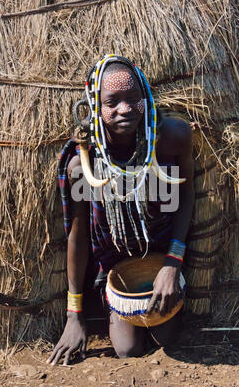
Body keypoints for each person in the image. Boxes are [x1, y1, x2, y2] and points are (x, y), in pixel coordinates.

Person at [47, 55, 195, 365]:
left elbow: (186, 197)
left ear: (145, 99)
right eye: (112, 102)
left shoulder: (171, 138)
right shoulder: (83, 164)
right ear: (95, 108)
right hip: (115, 268)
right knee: (127, 350)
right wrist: (74, 314)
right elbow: (79, 238)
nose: (124, 109)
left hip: (163, 255)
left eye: (133, 99)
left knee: (167, 337)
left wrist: (173, 262)